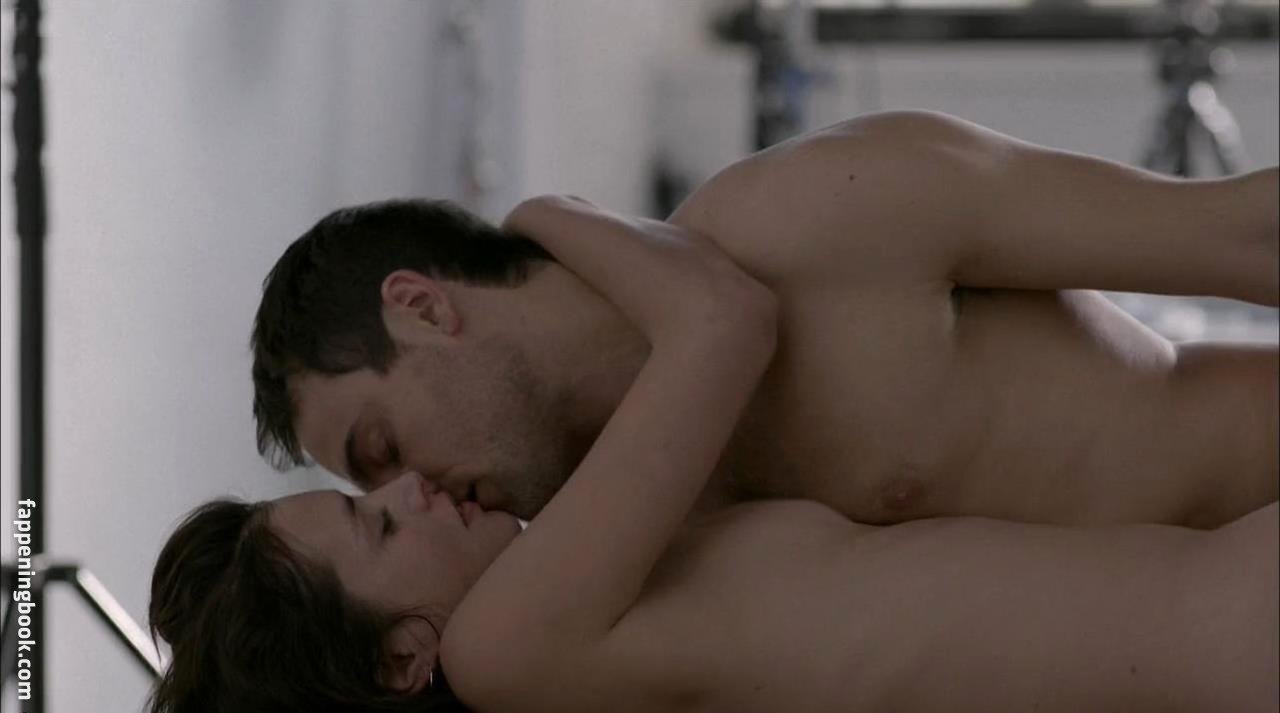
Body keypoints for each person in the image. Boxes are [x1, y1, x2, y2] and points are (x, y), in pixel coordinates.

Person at [153, 200, 1277, 712]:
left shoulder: (605, 588)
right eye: (376, 516)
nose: (415, 488)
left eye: (380, 464)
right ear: (405, 656)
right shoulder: (505, 649)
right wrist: (543, 212)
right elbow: (720, 319)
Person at [251, 110, 1278, 531]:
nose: (417, 498)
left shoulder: (799, 219)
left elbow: (1244, 234)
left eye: (382, 448)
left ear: (422, 307)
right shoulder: (627, 549)